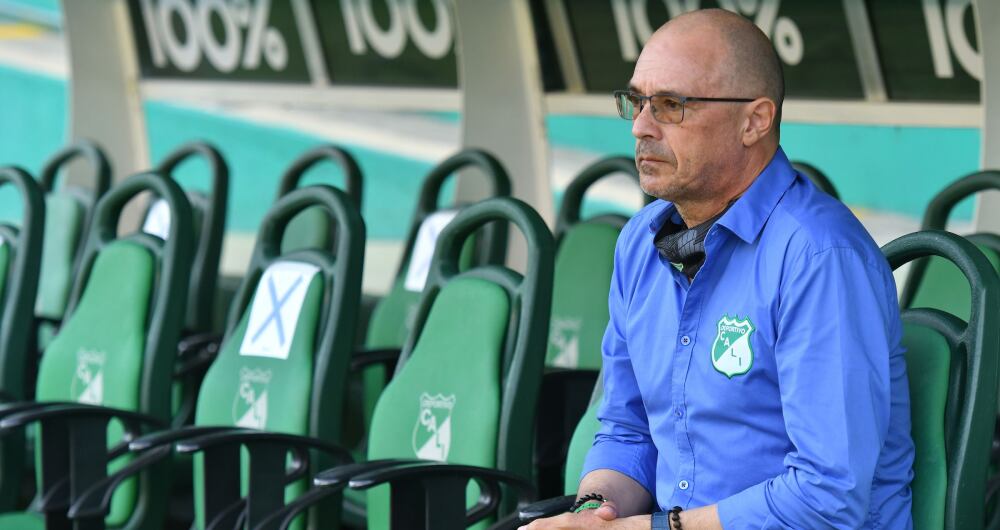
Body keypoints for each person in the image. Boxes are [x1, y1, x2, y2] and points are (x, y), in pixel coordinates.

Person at [522, 8, 913, 530]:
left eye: (671, 106)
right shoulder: (640, 242)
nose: (640, 127)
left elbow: (828, 495)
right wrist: (596, 513)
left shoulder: (820, 256)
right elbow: (627, 426)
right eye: (637, 102)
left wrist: (660, 528)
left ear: (755, 120)